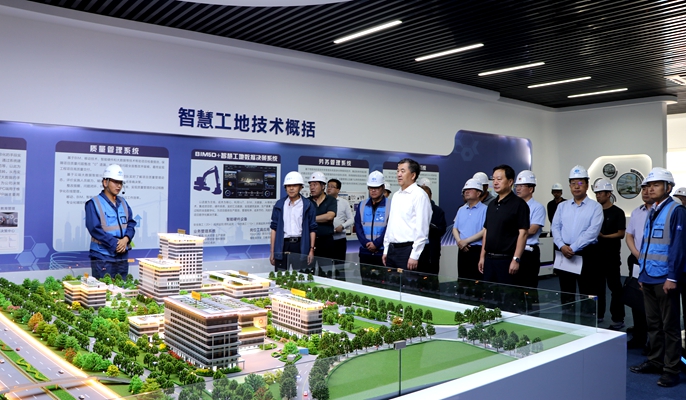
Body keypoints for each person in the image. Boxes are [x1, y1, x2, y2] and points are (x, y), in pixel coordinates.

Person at [630, 167, 686, 388]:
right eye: (648, 185)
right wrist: (642, 273)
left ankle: (671, 370)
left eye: (656, 185)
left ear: (668, 187)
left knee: (669, 326)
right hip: (649, 276)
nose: (650, 189)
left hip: (665, 279)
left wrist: (673, 278)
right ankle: (655, 361)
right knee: (653, 324)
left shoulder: (676, 211)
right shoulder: (652, 210)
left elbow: (678, 248)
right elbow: (646, 245)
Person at [550, 165, 603, 316]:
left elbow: (592, 232)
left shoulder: (595, 207)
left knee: (588, 292)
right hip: (564, 252)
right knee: (566, 291)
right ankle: (568, 320)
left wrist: (572, 247)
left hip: (587, 253)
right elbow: (555, 227)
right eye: (573, 183)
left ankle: (588, 322)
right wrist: (562, 246)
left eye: (580, 183)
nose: (576, 186)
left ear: (587, 185)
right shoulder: (562, 206)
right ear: (569, 186)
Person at [478, 165, 530, 284]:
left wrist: (516, 259)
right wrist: (482, 257)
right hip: (489, 259)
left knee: (506, 293)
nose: (495, 182)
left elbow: (523, 233)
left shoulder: (519, 204)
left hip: (507, 259)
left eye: (499, 179)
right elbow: (486, 231)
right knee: (488, 292)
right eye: (494, 179)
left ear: (510, 182)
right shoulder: (491, 205)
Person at [85, 164, 137, 279]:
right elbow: (95, 229)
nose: (119, 186)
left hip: (122, 256)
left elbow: (131, 224)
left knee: (121, 286)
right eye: (115, 182)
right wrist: (116, 244)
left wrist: (126, 239)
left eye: (121, 183)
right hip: (102, 256)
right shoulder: (93, 203)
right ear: (105, 182)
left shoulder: (123, 203)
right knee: (103, 288)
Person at [383, 158, 432, 271]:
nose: (399, 174)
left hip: (408, 250)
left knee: (408, 281)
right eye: (397, 171)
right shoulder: (396, 195)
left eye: (403, 171)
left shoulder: (419, 195)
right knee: (390, 281)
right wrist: (386, 250)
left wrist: (415, 255)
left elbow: (422, 229)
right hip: (392, 249)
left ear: (413, 175)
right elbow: (391, 224)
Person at [592, 178, 626, 328]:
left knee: (615, 288)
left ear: (608, 194)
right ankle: (598, 315)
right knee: (597, 288)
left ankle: (618, 318)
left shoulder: (618, 212)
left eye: (600, 193)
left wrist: (604, 237)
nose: (598, 195)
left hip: (611, 256)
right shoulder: (594, 212)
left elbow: (621, 233)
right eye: (596, 193)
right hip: (596, 256)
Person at [269, 171, 317, 271]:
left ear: (300, 187)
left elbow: (312, 229)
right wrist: (273, 252)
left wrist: (311, 249)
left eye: (294, 186)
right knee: (281, 275)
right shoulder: (279, 204)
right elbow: (274, 229)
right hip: (283, 245)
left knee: (300, 276)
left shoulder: (308, 205)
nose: (291, 188)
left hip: (300, 245)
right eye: (288, 186)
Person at [625, 182, 653, 350]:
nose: (646, 192)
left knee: (654, 302)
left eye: (649, 188)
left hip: (655, 262)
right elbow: (629, 235)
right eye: (643, 189)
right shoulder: (637, 212)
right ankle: (639, 336)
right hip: (636, 260)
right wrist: (636, 254)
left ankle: (654, 342)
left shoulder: (663, 212)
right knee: (637, 298)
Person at [514, 170, 546, 288]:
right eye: (517, 186)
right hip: (513, 250)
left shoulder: (538, 207)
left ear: (531, 189)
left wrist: (510, 233)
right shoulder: (513, 206)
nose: (518, 189)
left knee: (529, 287)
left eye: (521, 186)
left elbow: (532, 230)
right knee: (514, 287)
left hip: (529, 252)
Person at [453, 178, 487, 280]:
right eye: (465, 190)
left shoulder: (485, 209)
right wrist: (460, 242)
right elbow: (455, 228)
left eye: (470, 189)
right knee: (462, 279)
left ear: (478, 193)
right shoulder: (461, 209)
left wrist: (466, 241)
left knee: (476, 280)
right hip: (462, 249)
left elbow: (485, 230)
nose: (466, 192)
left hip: (476, 250)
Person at [355, 171, 390, 267]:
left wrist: (377, 244)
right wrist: (366, 243)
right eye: (371, 187)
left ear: (383, 188)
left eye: (376, 187)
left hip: (382, 252)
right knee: (365, 276)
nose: (373, 190)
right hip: (365, 251)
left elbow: (390, 228)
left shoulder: (391, 205)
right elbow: (358, 226)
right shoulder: (362, 204)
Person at [308, 172, 337, 274]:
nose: (312, 187)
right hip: (310, 242)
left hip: (326, 242)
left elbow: (329, 216)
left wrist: (311, 219)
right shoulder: (307, 202)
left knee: (326, 272)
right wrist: (321, 218)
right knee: (308, 272)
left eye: (315, 184)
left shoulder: (331, 200)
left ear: (323, 186)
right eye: (310, 185)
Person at [417, 180, 447, 275]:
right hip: (416, 250)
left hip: (432, 250)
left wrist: (432, 228)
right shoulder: (413, 210)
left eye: (426, 196)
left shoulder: (438, 211)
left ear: (430, 196)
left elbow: (442, 229)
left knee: (432, 277)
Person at [327, 178, 354, 263]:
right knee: (326, 266)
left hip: (340, 239)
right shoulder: (323, 202)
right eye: (328, 186)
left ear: (338, 190)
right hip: (326, 239)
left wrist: (342, 226)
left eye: (332, 187)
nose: (329, 188)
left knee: (340, 266)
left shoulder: (344, 202)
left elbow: (351, 219)